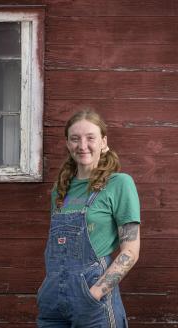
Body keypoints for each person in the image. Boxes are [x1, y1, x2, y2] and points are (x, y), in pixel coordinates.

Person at [36, 109, 140, 328]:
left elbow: (130, 252)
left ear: (103, 142)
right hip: (53, 299)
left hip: (93, 299)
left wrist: (94, 294)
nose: (82, 145)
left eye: (90, 138)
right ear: (67, 144)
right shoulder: (60, 190)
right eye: (75, 139)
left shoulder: (119, 184)